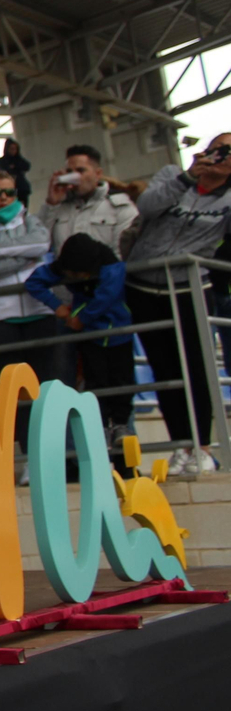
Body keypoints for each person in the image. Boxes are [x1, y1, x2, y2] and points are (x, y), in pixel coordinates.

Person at [125, 133, 231, 478]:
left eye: (228, 152)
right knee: (165, 371)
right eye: (218, 149)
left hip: (190, 286)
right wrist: (188, 176)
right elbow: (147, 206)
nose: (221, 157)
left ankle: (201, 446)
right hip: (144, 285)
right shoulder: (172, 174)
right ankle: (181, 444)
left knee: (197, 367)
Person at [0, 172, 60, 447]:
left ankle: (52, 448)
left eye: (9, 192)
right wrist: (24, 260)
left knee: (44, 385)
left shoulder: (31, 220)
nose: (3, 198)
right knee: (14, 390)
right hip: (0, 316)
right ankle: (28, 450)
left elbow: (42, 244)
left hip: (40, 310)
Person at [26, 234, 137, 446]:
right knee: (94, 382)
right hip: (89, 337)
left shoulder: (112, 267)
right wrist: (56, 305)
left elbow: (106, 297)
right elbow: (35, 281)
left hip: (118, 335)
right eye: (73, 274)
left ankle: (122, 425)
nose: (78, 277)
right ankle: (101, 426)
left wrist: (81, 318)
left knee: (123, 381)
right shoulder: (65, 267)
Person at [37, 144, 139, 257]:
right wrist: (51, 203)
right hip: (64, 273)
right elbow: (37, 243)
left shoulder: (119, 207)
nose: (75, 177)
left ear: (98, 174)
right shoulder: (59, 207)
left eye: (81, 171)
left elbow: (122, 254)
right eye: (70, 172)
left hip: (104, 273)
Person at [0, 138, 32, 206]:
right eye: (11, 149)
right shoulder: (1, 161)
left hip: (21, 188)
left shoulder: (19, 159)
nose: (13, 151)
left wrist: (15, 166)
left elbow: (27, 166)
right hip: (8, 189)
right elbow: (2, 169)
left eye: (15, 149)